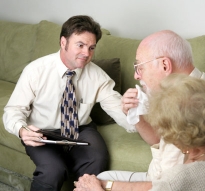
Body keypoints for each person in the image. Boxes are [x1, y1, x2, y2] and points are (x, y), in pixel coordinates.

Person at [74, 29, 205, 190]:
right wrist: (137, 116)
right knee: (102, 178)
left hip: (162, 183)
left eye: (139, 66)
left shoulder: (188, 109)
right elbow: (159, 141)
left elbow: (168, 185)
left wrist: (102, 187)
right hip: (160, 177)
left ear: (165, 65)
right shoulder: (199, 92)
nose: (136, 75)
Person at [2, 15, 134, 191]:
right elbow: (13, 110)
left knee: (97, 160)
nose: (86, 53)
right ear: (63, 42)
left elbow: (117, 107)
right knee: (53, 170)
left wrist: (131, 112)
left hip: (81, 129)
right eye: (80, 45)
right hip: (42, 131)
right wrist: (21, 129)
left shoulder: (98, 76)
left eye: (91, 47)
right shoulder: (35, 71)